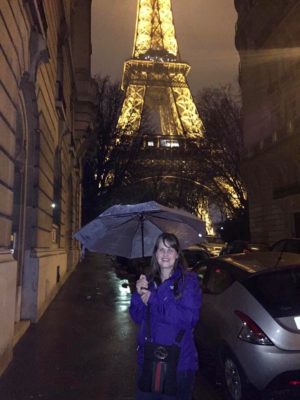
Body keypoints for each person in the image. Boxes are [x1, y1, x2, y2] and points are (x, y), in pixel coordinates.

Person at [129, 232, 202, 400]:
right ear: (155, 254)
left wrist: (154, 301)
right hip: (148, 359)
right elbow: (137, 317)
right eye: (161, 249)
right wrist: (138, 294)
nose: (165, 254)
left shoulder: (188, 282)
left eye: (170, 250)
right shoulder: (148, 281)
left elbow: (189, 319)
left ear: (177, 255)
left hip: (179, 364)